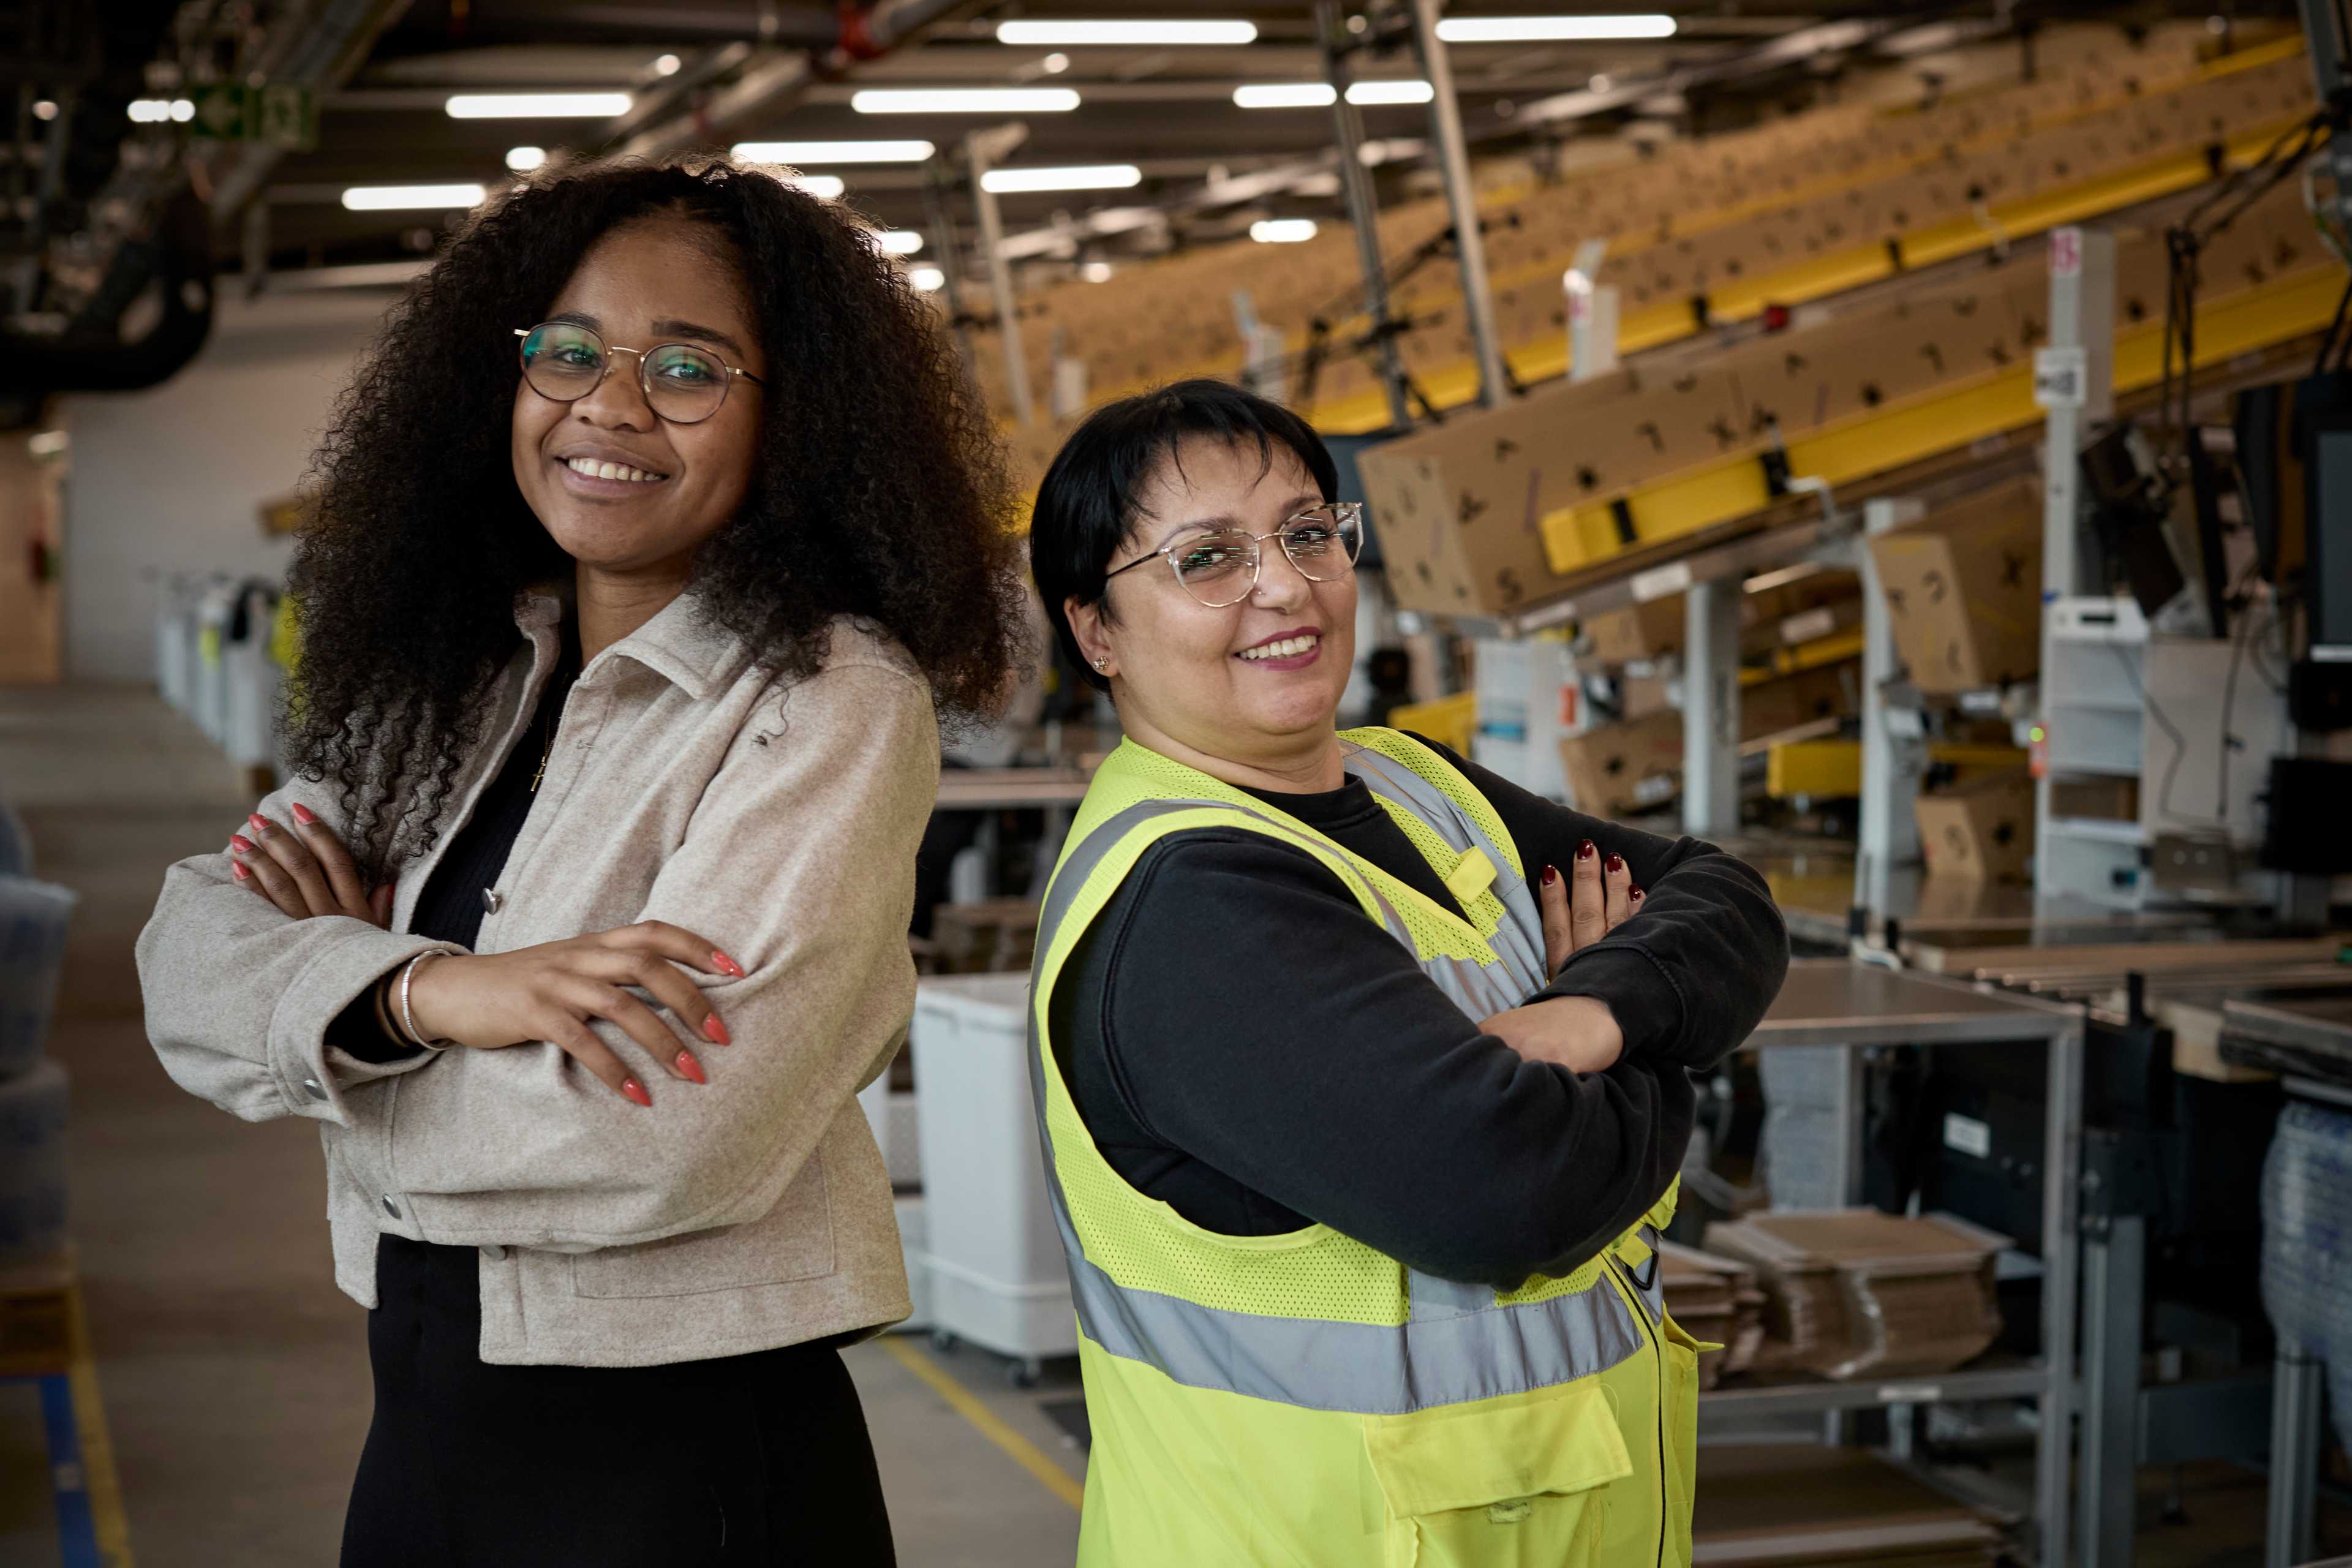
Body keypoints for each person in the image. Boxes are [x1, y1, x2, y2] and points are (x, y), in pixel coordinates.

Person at [136, 157, 1024, 1567]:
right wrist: (423, 998)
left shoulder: (824, 697)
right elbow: (184, 957)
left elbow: (666, 1138)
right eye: (568, 351)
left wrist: (325, 1057)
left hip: (684, 1465)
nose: (608, 406)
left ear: (793, 420)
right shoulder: (466, 671)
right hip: (423, 1425)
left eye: (688, 367)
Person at [1024, 379, 1789, 1567]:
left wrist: (1588, 1015)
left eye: (1308, 531)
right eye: (1206, 557)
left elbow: (1730, 901)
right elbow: (1506, 1191)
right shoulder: (1189, 901)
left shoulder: (1406, 779)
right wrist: (1667, 1037)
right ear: (1097, 630)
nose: (1282, 583)